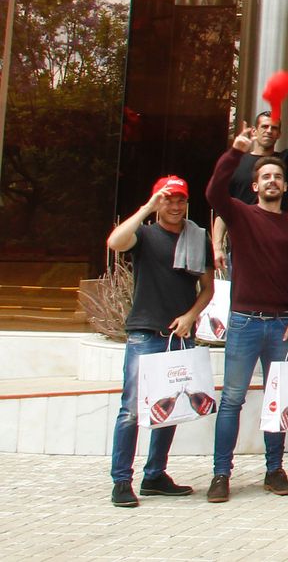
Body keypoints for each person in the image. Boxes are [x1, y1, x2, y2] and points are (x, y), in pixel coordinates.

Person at [205, 126, 288, 502]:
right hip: (244, 322)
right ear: (255, 185)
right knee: (232, 399)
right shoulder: (240, 215)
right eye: (265, 176)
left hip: (281, 326)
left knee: (276, 398)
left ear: (285, 185)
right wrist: (235, 152)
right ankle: (221, 474)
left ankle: (274, 469)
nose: (272, 181)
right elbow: (214, 193)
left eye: (278, 176)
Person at [106, 177, 215, 507]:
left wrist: (191, 316)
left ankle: (155, 475)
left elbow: (208, 288)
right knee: (131, 411)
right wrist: (146, 209)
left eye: (181, 200)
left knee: (171, 407)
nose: (175, 206)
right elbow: (115, 242)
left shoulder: (197, 237)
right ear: (157, 202)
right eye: (168, 199)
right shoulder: (144, 235)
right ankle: (121, 480)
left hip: (178, 335)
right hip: (145, 333)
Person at [225, 71, 288, 205]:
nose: (269, 131)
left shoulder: (284, 160)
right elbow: (224, 203)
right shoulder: (236, 162)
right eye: (265, 127)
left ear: (279, 134)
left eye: (274, 128)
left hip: (275, 218)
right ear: (254, 131)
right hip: (241, 219)